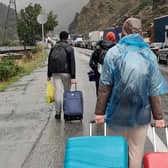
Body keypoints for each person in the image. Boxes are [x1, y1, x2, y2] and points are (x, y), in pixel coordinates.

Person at [94, 18, 168, 168]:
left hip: (117, 112)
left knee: (115, 151)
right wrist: (158, 116)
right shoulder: (149, 55)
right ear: (140, 33)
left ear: (123, 33)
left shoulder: (113, 53)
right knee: (135, 150)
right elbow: (153, 89)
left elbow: (105, 86)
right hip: (141, 112)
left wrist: (99, 112)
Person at [47, 31, 77, 119]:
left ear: (60, 37)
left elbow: (49, 61)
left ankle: (58, 113)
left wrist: (49, 74)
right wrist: (73, 76)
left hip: (56, 73)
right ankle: (67, 112)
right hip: (66, 73)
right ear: (67, 37)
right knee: (67, 93)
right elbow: (72, 62)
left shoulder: (54, 47)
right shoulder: (69, 47)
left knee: (57, 92)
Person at [89, 32, 116, 96]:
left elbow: (91, 63)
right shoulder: (116, 49)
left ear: (106, 38)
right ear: (114, 38)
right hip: (112, 77)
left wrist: (97, 70)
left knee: (99, 95)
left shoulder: (99, 48)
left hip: (99, 76)